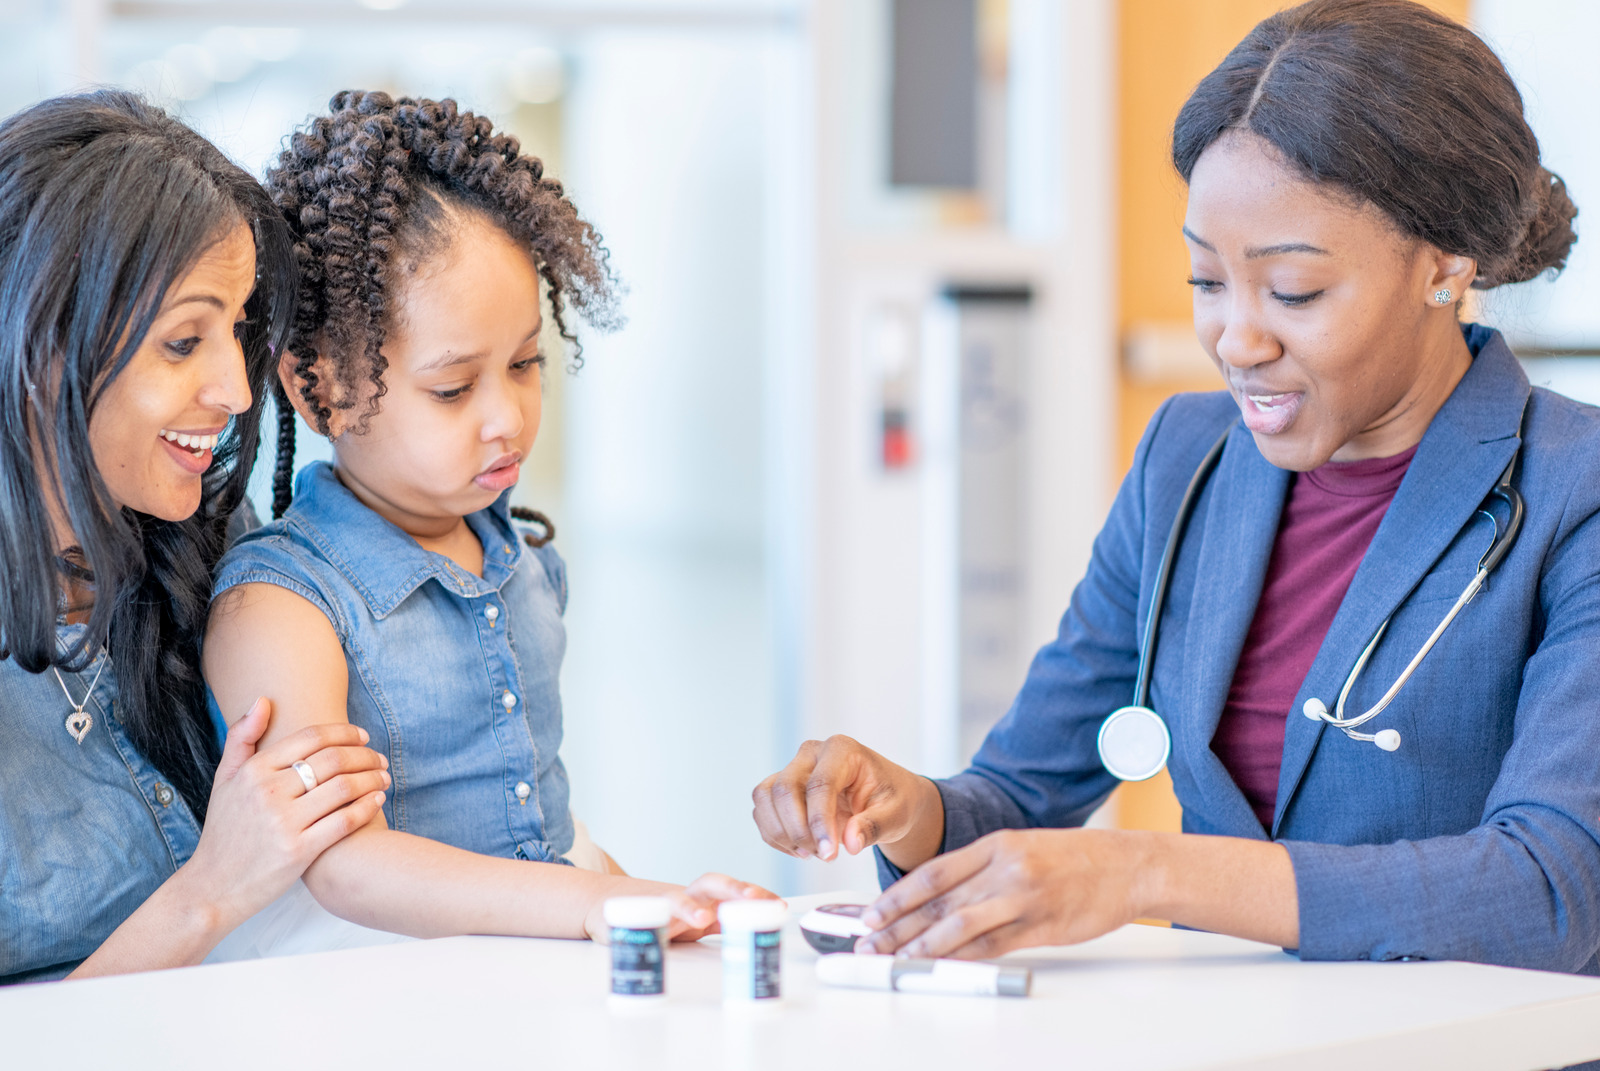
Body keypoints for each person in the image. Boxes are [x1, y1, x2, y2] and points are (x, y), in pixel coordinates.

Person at [753, 0, 1600, 974]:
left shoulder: (1572, 492)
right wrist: (903, 809)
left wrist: (1148, 871)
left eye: (1293, 292)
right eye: (1206, 282)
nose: (1237, 339)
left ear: (1444, 266)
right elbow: (1019, 800)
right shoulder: (1186, 459)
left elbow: (1551, 890)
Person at [202, 91, 774, 946]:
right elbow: (342, 860)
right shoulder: (279, 605)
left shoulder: (521, 557)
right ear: (317, 386)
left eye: (525, 362)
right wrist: (595, 906)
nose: (506, 416)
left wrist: (646, 898)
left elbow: (546, 822)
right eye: (453, 387)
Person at [0, 90, 391, 983]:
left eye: (240, 328)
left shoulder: (217, 548)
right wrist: (210, 890)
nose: (236, 389)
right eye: (183, 341)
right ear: (35, 345)